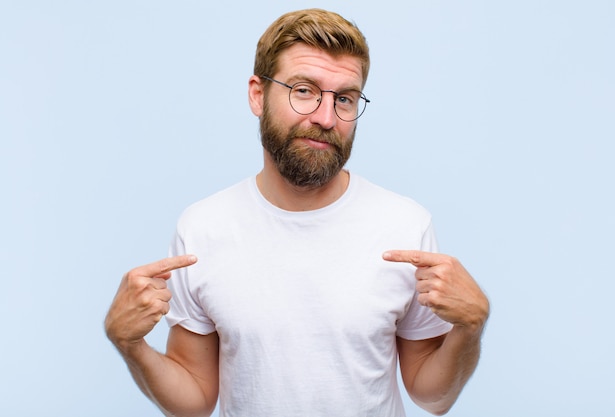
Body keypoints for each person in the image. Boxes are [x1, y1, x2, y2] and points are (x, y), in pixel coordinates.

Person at [105, 8, 490, 417]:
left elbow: (432, 397)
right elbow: (195, 400)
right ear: (258, 94)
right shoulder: (202, 229)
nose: (326, 118)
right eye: (304, 90)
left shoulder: (405, 226)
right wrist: (130, 345)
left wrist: (470, 327)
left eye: (344, 98)